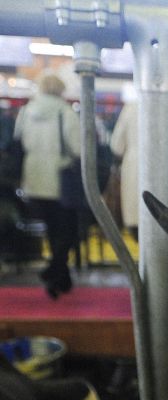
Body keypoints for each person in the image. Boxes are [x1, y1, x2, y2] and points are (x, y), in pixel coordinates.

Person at [13, 72, 81, 298]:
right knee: (68, 230)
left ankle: (61, 277)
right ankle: (55, 271)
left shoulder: (26, 111)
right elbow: (78, 148)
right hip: (60, 179)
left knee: (52, 229)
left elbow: (19, 141)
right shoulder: (66, 113)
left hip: (33, 179)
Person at [109, 87, 168, 241]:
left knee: (139, 231)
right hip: (167, 179)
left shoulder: (130, 109)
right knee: (164, 234)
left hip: (135, 174)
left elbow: (116, 145)